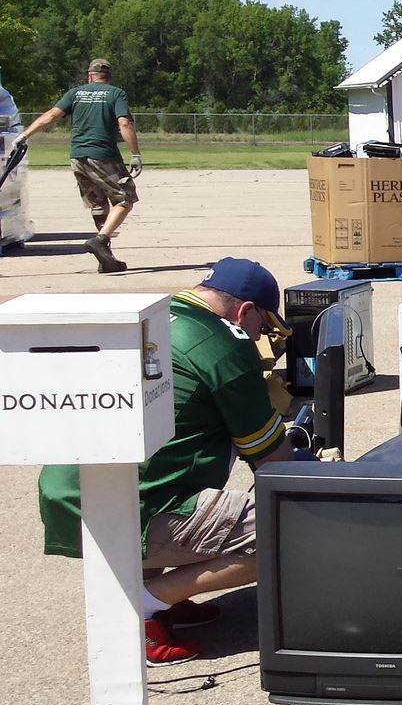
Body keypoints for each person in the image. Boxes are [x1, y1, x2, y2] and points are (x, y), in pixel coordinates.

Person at [37, 258, 298, 665]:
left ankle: (165, 597)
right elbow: (272, 462)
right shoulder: (224, 343)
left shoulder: (155, 316)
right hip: (129, 503)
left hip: (73, 491)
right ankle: (139, 608)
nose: (260, 339)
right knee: (288, 530)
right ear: (244, 311)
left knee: (177, 481)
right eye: (263, 328)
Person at [10, 57, 142, 273]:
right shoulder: (116, 93)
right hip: (103, 154)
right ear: (108, 77)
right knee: (125, 198)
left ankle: (106, 258)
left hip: (78, 157)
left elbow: (51, 116)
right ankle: (101, 240)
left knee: (99, 206)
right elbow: (124, 122)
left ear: (89, 75)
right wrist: (135, 153)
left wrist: (24, 135)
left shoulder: (76, 93)